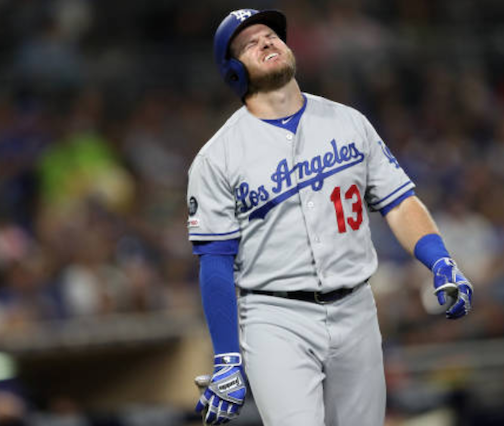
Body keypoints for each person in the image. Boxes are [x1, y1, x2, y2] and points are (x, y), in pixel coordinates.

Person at [186, 9, 473, 426]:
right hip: (275, 317)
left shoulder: (348, 122)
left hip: (356, 307)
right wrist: (228, 357)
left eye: (271, 35)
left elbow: (399, 201)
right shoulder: (217, 157)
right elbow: (215, 258)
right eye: (250, 43)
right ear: (233, 71)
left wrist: (440, 259)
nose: (266, 42)